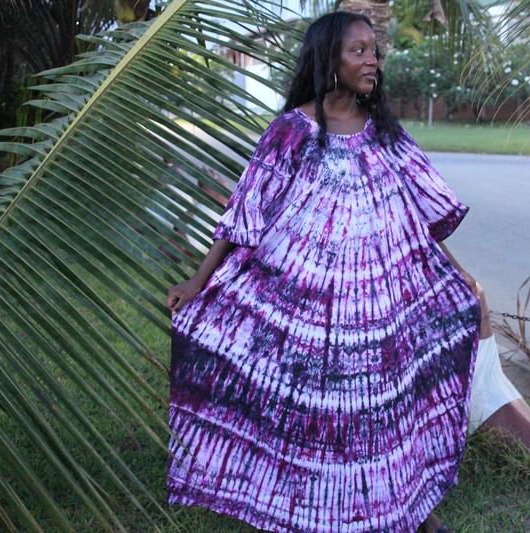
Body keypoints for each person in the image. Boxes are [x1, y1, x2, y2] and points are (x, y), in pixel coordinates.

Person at [166, 12, 488, 532]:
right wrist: (198, 281)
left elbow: (421, 215)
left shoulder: (385, 132)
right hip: (309, 306)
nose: (372, 61)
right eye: (358, 51)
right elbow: (246, 210)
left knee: (387, 407)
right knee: (318, 412)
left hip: (380, 304)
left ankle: (415, 510)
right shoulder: (292, 130)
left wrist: (461, 275)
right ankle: (304, 506)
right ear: (328, 59)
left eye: (374, 50)